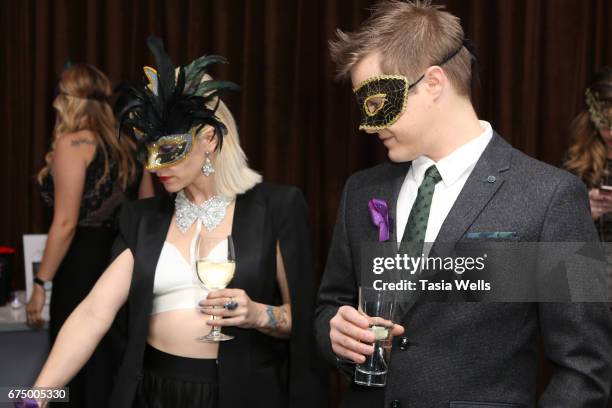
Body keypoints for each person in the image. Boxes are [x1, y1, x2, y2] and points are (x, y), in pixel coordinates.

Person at [315, 1, 612, 407]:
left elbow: (587, 365)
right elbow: (330, 304)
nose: (369, 124)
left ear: (433, 82)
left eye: (376, 102)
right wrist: (334, 333)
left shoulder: (553, 197)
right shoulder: (362, 192)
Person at [28, 37, 322, 408]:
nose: (153, 166)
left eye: (167, 149)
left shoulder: (276, 207)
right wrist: (34, 397)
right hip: (155, 394)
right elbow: (92, 313)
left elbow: (307, 320)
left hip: (243, 394)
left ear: (209, 139)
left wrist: (259, 314)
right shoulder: (143, 218)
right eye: (148, 151)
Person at [25, 63, 153, 407]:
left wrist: (40, 285)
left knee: (76, 364)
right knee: (110, 365)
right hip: (122, 262)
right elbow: (148, 211)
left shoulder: (73, 142)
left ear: (69, 101)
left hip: (80, 265)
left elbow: (65, 224)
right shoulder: (129, 144)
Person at [564, 66, 612, 306]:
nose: (611, 132)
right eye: (605, 123)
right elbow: (557, 233)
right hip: (590, 287)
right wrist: (584, 213)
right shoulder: (577, 163)